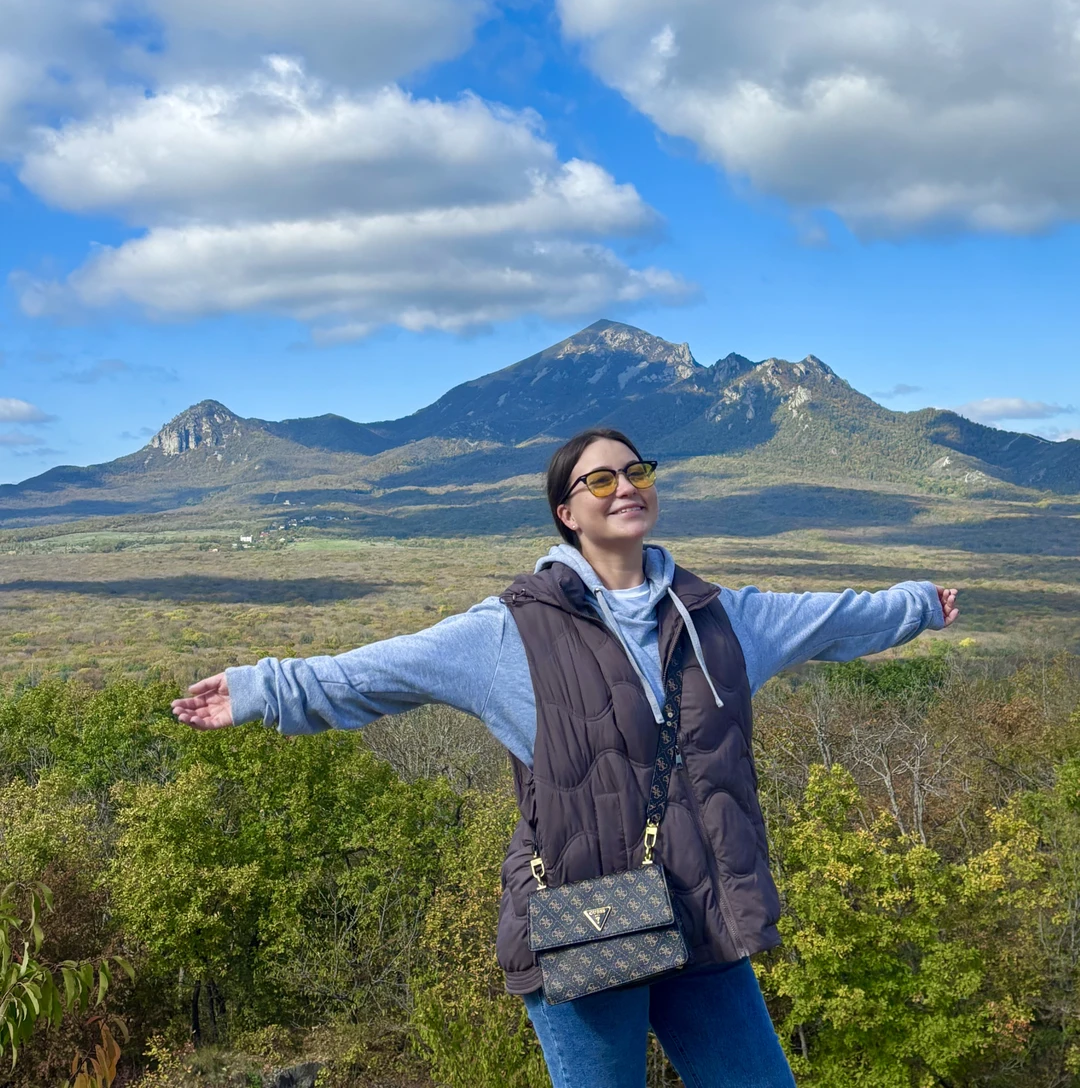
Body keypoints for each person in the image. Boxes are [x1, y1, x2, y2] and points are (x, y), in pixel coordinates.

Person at [173, 427, 959, 1088]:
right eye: (601, 479)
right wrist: (259, 689)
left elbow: (834, 620)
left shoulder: (721, 618)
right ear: (567, 513)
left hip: (702, 918)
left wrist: (920, 604)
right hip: (588, 922)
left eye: (637, 472)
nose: (626, 488)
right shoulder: (510, 631)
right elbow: (376, 673)